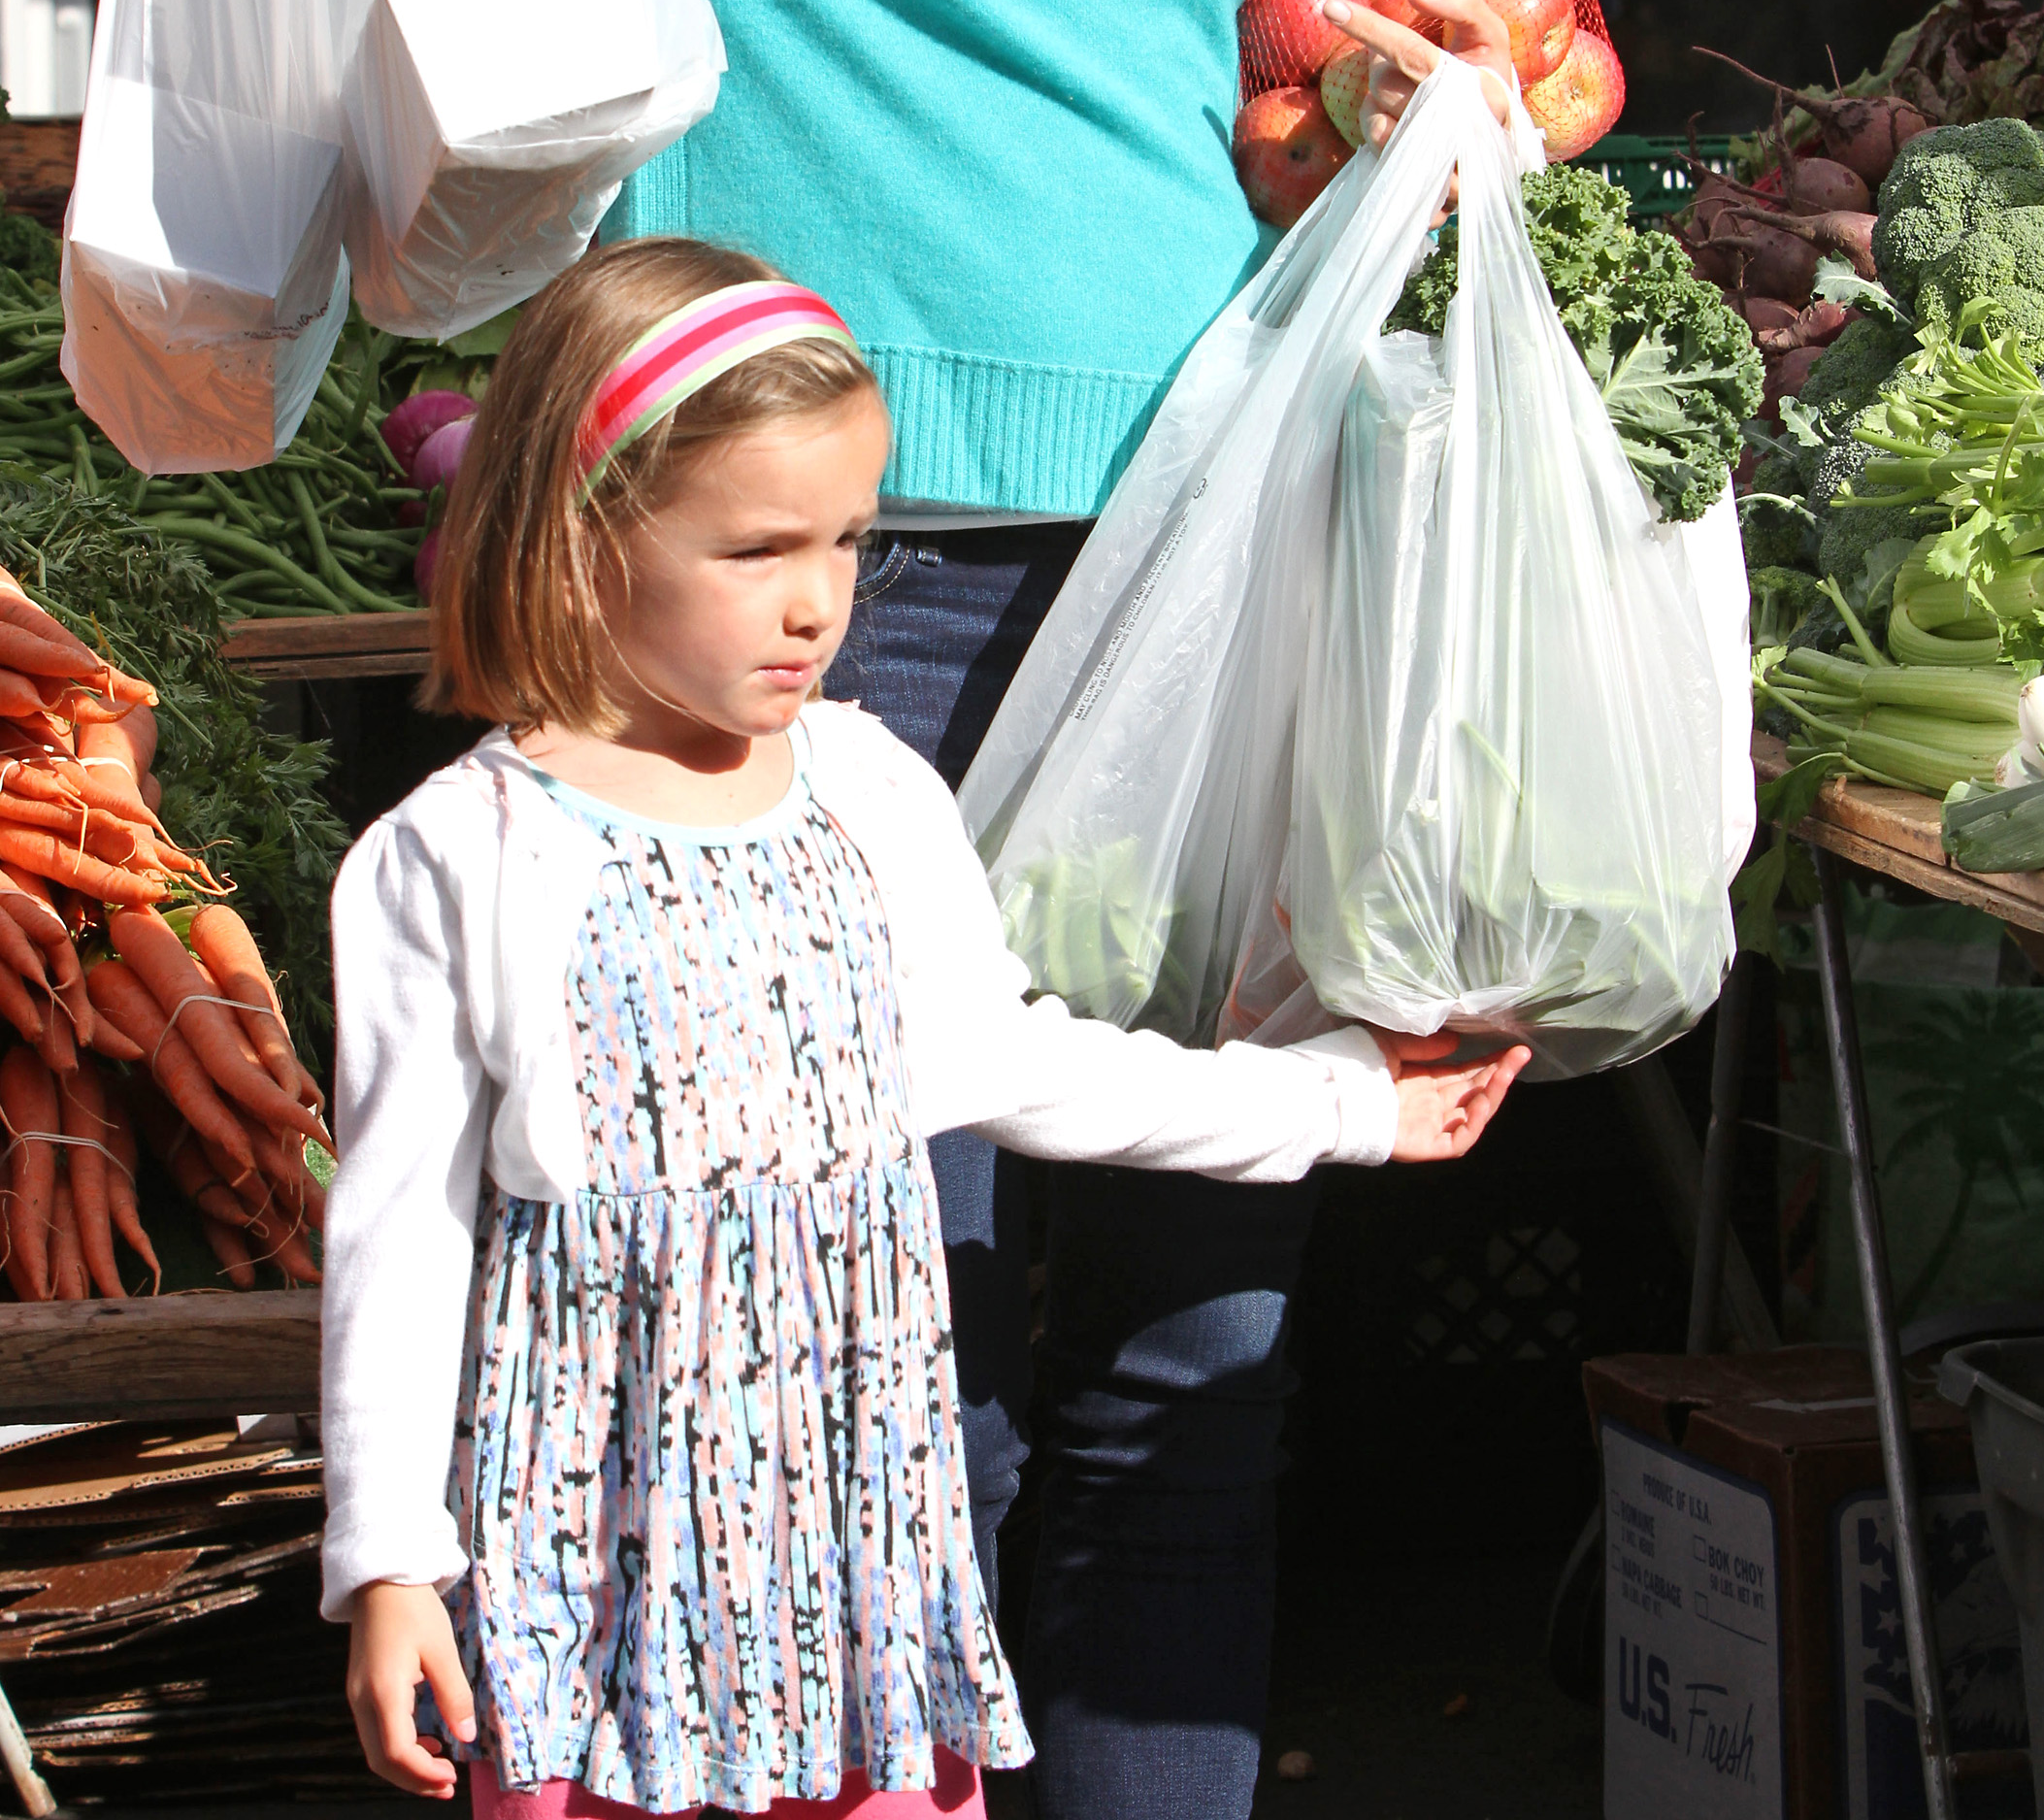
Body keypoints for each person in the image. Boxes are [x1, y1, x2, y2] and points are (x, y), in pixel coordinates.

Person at [49, 0, 1518, 1810]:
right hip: (794, 604)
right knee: (861, 1374)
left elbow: (1235, 88)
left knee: (1198, 1365)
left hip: (1221, 574)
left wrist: (1401, 81)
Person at [324, 239, 1528, 1815]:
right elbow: (401, 1234)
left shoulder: (876, 792)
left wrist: (1339, 1105)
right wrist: (391, 1560)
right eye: (756, 549)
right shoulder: (456, 858)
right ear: (581, 533)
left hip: (859, 1570)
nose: (818, 600)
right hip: (598, 1583)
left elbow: (1017, 1066)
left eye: (847, 541)